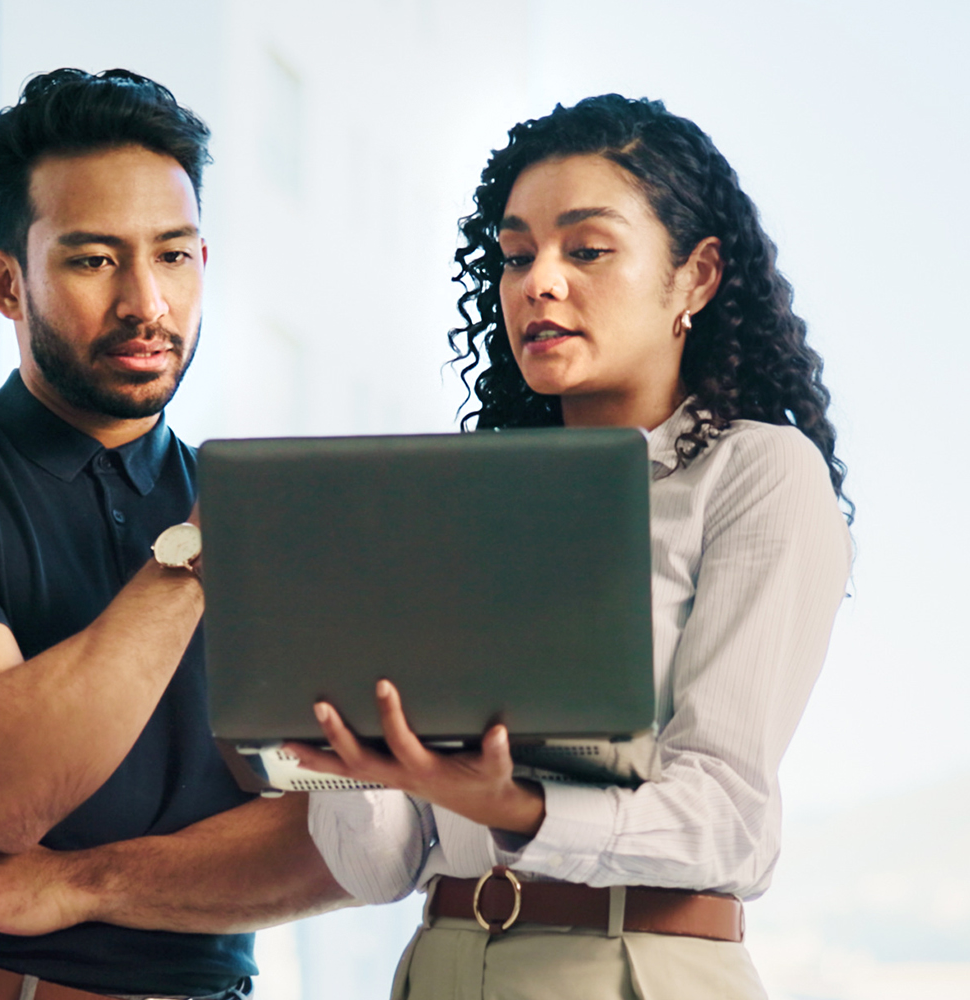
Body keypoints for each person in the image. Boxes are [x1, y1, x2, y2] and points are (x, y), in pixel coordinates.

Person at [292, 95, 854, 999]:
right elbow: (380, 870)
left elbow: (727, 817)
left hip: (630, 966)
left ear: (697, 278)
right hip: (441, 961)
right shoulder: (463, 506)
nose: (538, 283)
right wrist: (344, 738)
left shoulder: (755, 473)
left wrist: (517, 808)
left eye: (586, 250)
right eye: (517, 256)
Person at [0, 68, 346, 1000]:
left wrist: (74, 883)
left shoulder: (261, 515)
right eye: (95, 261)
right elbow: (6, 793)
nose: (148, 302)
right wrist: (200, 551)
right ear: (7, 283)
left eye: (172, 256)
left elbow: (347, 842)